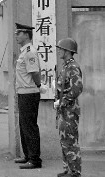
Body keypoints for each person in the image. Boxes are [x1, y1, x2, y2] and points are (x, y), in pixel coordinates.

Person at [13, 23, 45, 169]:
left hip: (29, 93)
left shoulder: (30, 52)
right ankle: (27, 156)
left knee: (30, 126)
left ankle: (35, 159)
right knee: (23, 126)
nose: (16, 35)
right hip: (23, 93)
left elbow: (34, 72)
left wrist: (39, 85)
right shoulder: (23, 51)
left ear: (26, 34)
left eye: (18, 33)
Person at [55, 38, 83, 177]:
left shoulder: (73, 67)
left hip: (70, 111)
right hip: (64, 110)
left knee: (70, 141)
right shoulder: (66, 66)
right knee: (64, 140)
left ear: (67, 51)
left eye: (61, 49)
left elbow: (77, 88)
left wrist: (64, 101)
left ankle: (75, 171)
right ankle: (68, 169)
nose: (59, 51)